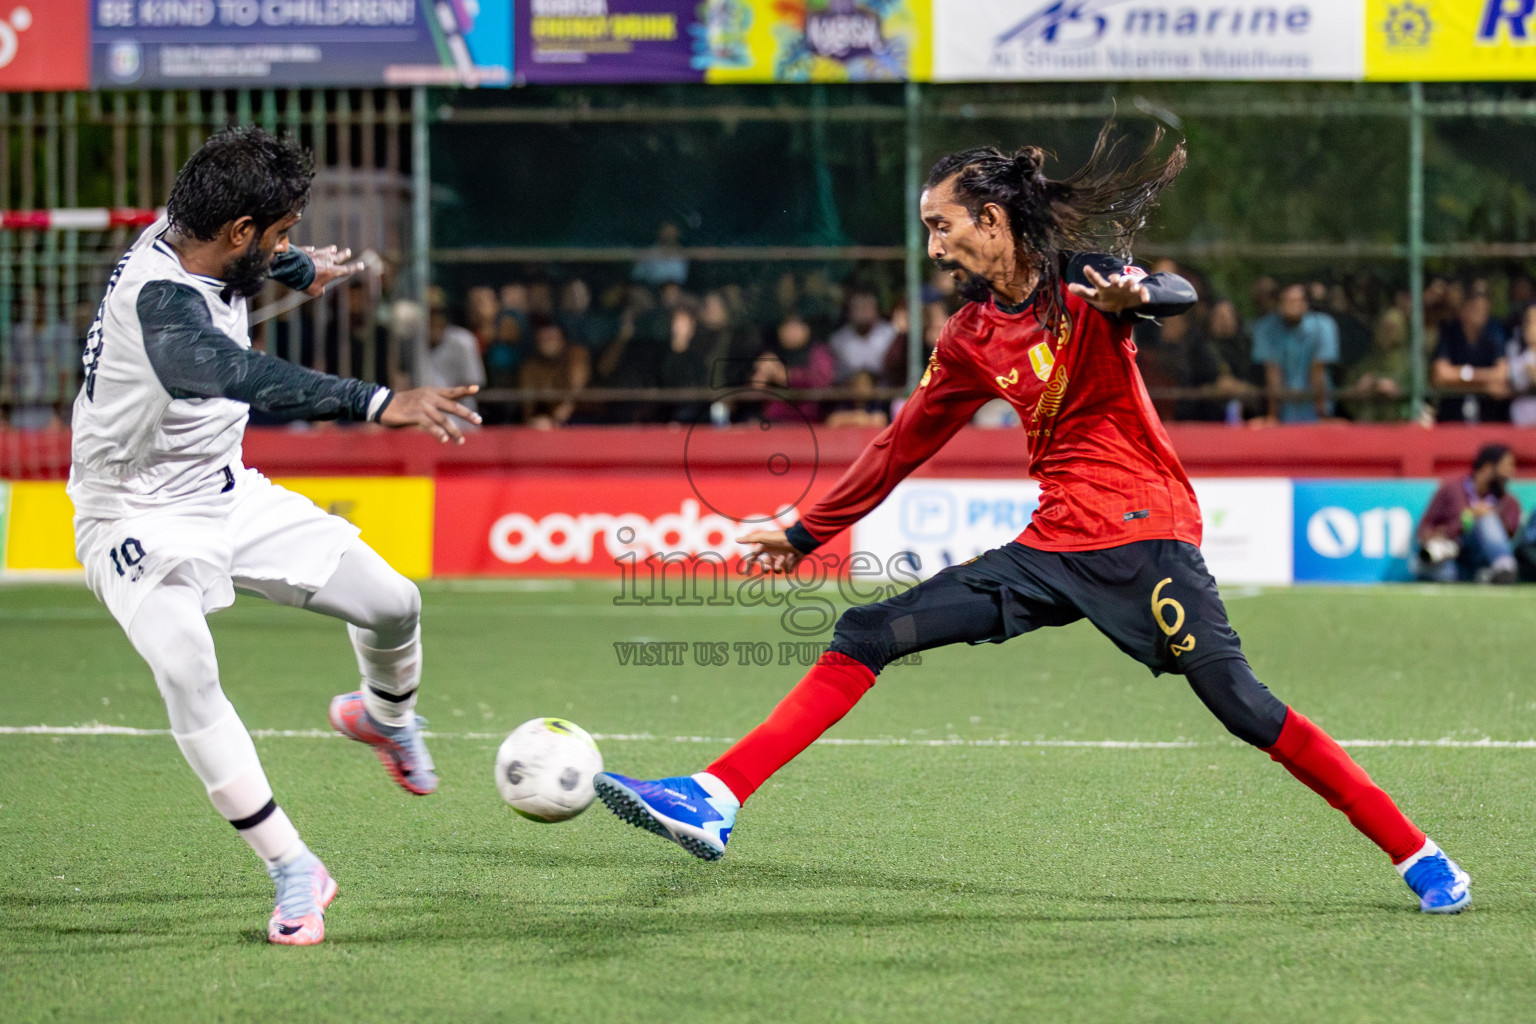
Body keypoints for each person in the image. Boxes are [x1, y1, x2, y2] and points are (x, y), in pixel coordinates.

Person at [590, 128, 1472, 915]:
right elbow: (903, 441)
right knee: (868, 630)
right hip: (1050, 548)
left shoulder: (1081, 282)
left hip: (1145, 533)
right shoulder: (973, 335)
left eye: (942, 224)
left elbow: (1172, 289)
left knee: (1241, 704)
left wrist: (1139, 300)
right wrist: (804, 533)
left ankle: (1417, 853)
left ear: (993, 221)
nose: (932, 244)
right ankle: (715, 796)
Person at [67, 127, 480, 946]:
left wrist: (298, 266)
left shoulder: (198, 232)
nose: (290, 245)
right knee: (187, 666)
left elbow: (251, 263)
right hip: (131, 515)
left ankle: (383, 716)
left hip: (226, 494)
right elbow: (235, 374)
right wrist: (375, 401)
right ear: (239, 234)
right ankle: (293, 864)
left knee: (393, 603)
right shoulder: (163, 305)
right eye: (282, 233)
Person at [1415, 444, 1521, 584]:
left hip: (1482, 558)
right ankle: (1483, 577)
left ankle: (1505, 568)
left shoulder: (1508, 502)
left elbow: (1508, 535)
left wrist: (1491, 514)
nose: (1511, 472)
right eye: (1507, 466)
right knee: (1447, 573)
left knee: (1487, 518)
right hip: (1450, 554)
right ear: (1487, 467)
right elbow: (1424, 528)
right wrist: (1466, 518)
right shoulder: (1451, 490)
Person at [1251, 282, 1338, 423]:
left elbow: (1318, 371)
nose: (1292, 305)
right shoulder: (1265, 328)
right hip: (1283, 409)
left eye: (1297, 301)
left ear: (1306, 304)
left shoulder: (1324, 326)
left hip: (1315, 408)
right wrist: (1273, 416)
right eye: (1288, 301)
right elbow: (1272, 372)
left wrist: (1323, 415)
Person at [1432, 283, 1509, 424]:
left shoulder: (1495, 330)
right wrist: (1483, 383)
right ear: (1463, 308)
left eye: (1483, 308)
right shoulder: (1450, 331)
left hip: (1489, 417)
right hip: (1452, 416)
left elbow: (1501, 374)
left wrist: (1458, 377)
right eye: (1474, 308)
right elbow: (1441, 375)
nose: (1479, 314)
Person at [519, 318, 589, 428]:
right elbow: (528, 403)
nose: (547, 343)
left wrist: (555, 421)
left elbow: (574, 395)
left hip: (578, 418)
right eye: (543, 339)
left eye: (551, 338)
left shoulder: (575, 356)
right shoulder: (531, 367)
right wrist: (535, 420)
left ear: (562, 340)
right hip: (543, 421)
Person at [829, 289, 898, 383]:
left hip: (887, 389)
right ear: (850, 312)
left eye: (867, 307)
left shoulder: (891, 334)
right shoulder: (838, 340)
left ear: (876, 310)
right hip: (850, 391)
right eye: (859, 308)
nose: (863, 313)